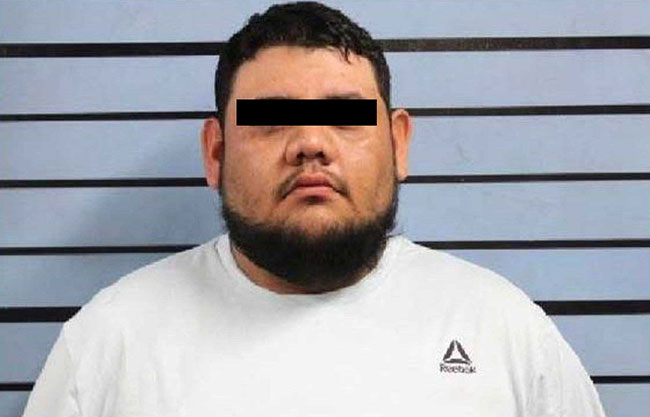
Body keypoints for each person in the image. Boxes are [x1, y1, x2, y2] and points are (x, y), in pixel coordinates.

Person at [23, 2, 606, 416]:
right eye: (271, 119)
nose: (310, 143)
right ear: (216, 152)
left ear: (398, 143)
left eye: (346, 118)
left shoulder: (504, 333)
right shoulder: (110, 344)